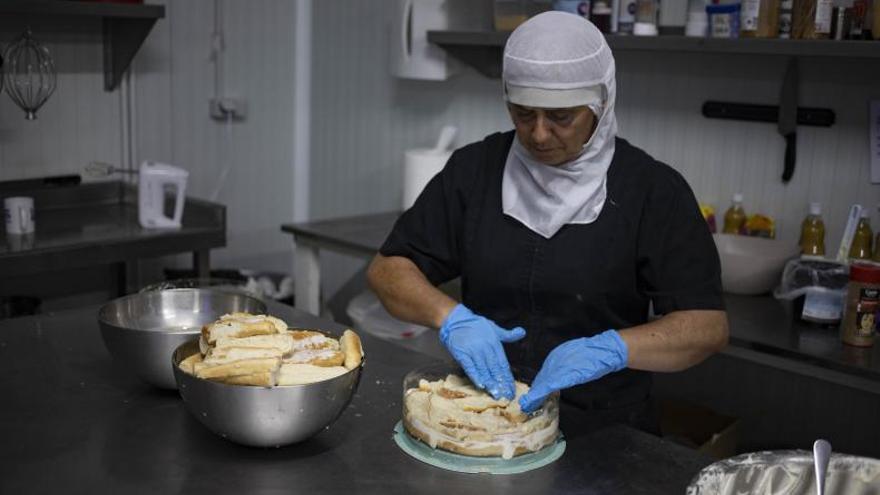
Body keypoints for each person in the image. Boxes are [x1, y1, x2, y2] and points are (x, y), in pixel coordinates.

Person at [367, 12, 728, 429]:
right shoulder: (475, 171)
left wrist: (613, 349)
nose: (538, 134)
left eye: (560, 117)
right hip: (486, 415)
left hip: (607, 429)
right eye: (523, 113)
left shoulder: (652, 190)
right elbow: (388, 270)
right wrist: (450, 317)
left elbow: (706, 326)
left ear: (601, 104)